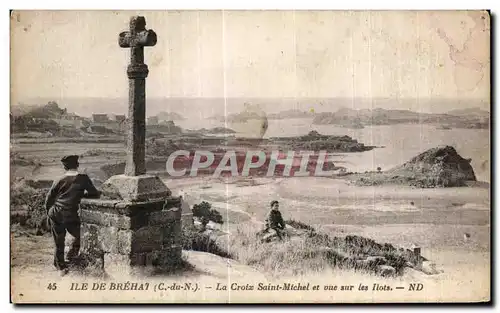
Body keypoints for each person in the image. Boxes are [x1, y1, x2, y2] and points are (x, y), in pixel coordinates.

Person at [45, 155, 100, 275]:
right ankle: (72, 258)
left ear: (64, 167)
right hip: (70, 214)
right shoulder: (83, 179)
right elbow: (94, 193)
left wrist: (48, 215)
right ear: (77, 165)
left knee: (59, 242)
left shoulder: (58, 180)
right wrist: (80, 196)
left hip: (55, 213)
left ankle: (60, 267)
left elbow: (49, 200)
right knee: (81, 236)